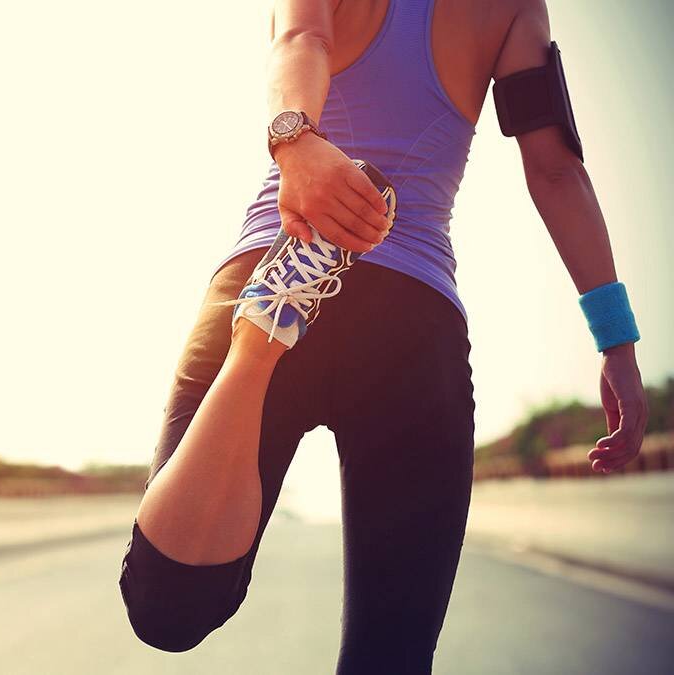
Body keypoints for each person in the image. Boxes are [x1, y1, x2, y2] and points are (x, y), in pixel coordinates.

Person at [116, 0, 649, 672]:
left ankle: (258, 341)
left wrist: (297, 143)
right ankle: (259, 339)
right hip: (413, 321)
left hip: (285, 256)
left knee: (167, 607)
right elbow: (555, 170)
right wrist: (615, 341)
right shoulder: (515, 8)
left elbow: (301, 36)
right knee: (390, 657)